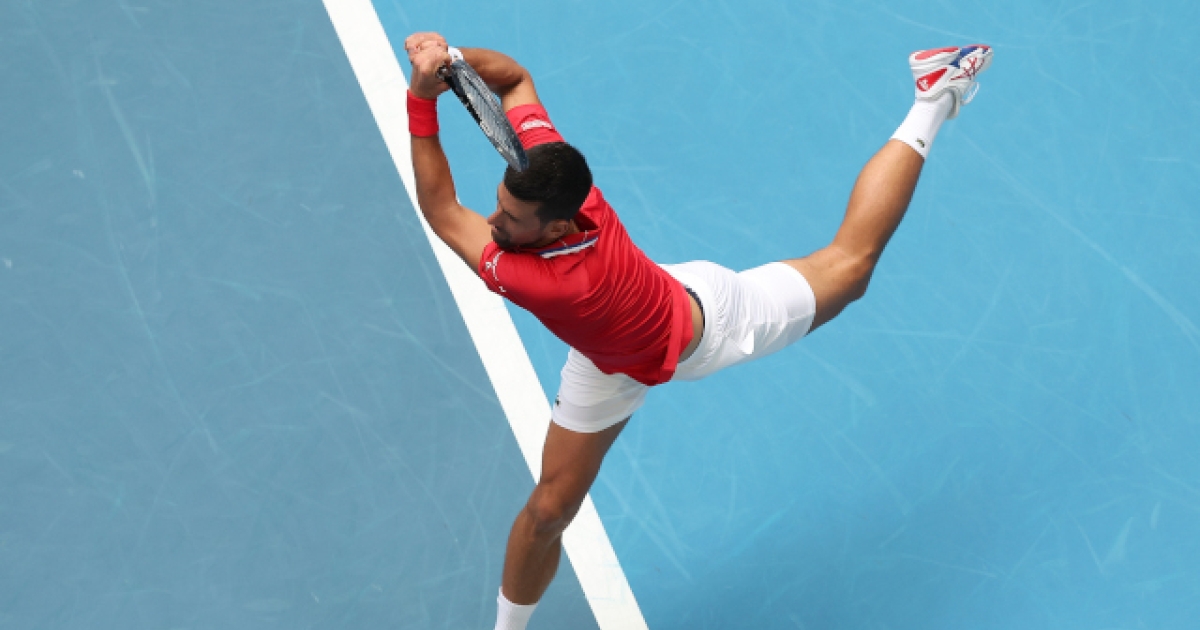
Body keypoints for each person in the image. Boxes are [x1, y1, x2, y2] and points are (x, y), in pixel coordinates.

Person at [403, 33, 992, 630]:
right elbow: (514, 78)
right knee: (549, 511)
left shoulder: (548, 282)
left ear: (558, 229)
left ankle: (933, 96)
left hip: (709, 323)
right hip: (607, 358)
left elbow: (442, 209)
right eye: (500, 204)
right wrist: (451, 63)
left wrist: (421, 98)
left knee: (851, 266)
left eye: (510, 218)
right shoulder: (550, 169)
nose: (493, 220)